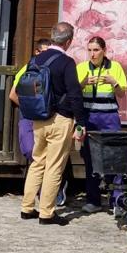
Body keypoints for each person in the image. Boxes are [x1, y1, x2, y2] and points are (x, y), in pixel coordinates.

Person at [20, 23, 86, 226]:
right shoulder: (66, 62)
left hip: (38, 117)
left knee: (37, 162)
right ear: (68, 41)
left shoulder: (36, 59)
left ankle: (27, 207)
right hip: (60, 118)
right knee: (55, 166)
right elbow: (74, 93)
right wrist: (81, 122)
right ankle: (47, 213)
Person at [77, 36, 127, 214]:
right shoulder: (82, 68)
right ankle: (93, 200)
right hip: (89, 117)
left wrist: (113, 82)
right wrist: (83, 83)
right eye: (90, 50)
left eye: (96, 50)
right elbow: (74, 94)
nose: (92, 54)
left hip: (109, 118)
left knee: (115, 157)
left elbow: (122, 94)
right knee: (89, 157)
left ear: (104, 50)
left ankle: (117, 201)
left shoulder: (115, 67)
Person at [10, 38, 53, 164]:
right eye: (42, 52)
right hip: (28, 117)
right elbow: (13, 95)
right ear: (36, 52)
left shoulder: (50, 71)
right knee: (31, 151)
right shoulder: (27, 69)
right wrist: (29, 108)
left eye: (48, 53)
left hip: (45, 118)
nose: (45, 56)